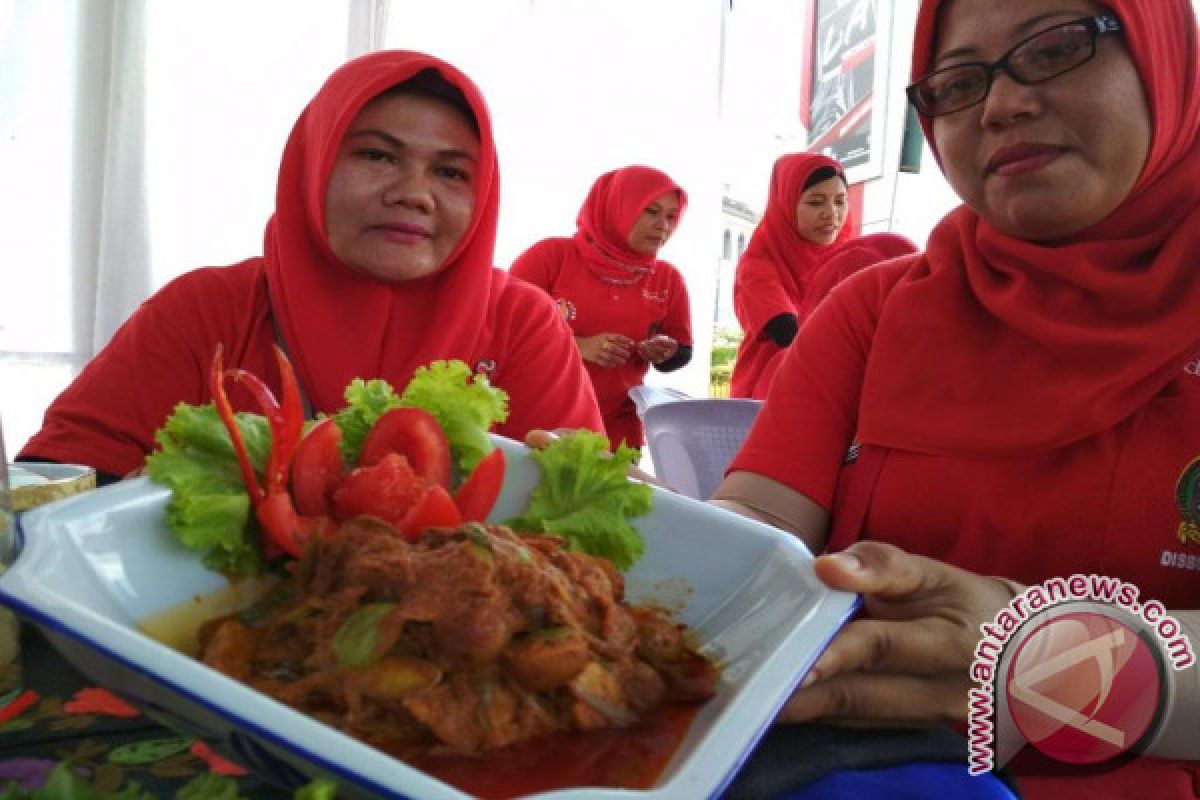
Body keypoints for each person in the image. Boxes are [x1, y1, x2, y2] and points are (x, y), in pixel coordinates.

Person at [713, 0, 1200, 796]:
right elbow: (763, 527)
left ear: (1166, 61)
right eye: (958, 83)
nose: (1002, 105)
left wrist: (1053, 666)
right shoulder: (873, 311)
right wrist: (640, 540)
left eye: (1056, 48)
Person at [19, 50, 603, 483]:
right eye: (377, 155)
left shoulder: (521, 321)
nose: (414, 194)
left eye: (451, 172)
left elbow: (584, 513)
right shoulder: (206, 309)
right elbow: (57, 481)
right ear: (313, 165)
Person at [510, 165, 693, 449]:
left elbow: (681, 351)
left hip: (616, 433)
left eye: (671, 217)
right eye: (651, 211)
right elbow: (503, 329)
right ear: (618, 208)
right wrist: (578, 346)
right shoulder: (550, 257)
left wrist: (664, 351)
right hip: (538, 423)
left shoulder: (668, 279)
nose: (663, 226)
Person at [729, 153, 856, 400]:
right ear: (785, 203)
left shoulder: (849, 258)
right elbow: (787, 331)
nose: (831, 213)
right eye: (816, 202)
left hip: (826, 395)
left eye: (840, 201)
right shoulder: (759, 263)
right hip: (767, 397)